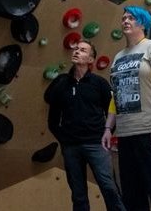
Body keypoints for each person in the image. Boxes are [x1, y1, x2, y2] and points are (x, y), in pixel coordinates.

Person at [102, 6, 151, 211]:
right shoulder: (118, 56)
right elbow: (115, 95)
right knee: (132, 197)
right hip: (127, 134)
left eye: (132, 18)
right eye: (124, 18)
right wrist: (108, 128)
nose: (126, 21)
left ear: (143, 23)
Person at [44, 40, 125, 211]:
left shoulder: (99, 83)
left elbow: (112, 111)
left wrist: (108, 132)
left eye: (82, 50)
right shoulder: (62, 83)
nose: (76, 51)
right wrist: (64, 140)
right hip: (71, 147)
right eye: (75, 49)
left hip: (96, 143)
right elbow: (52, 119)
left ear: (91, 59)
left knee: (109, 188)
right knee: (78, 195)